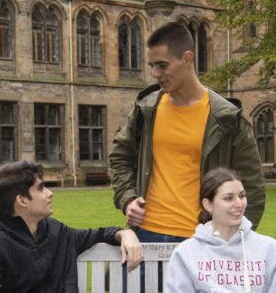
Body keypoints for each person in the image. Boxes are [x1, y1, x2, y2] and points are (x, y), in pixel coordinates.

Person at [109, 22, 266, 242]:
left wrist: (231, 240)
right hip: (144, 237)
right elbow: (119, 157)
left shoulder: (226, 118)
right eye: (152, 65)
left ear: (187, 58)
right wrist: (127, 199)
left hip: (201, 240)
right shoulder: (146, 110)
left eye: (162, 65)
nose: (155, 73)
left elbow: (253, 188)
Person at [0, 161, 143, 292]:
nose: (50, 193)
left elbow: (98, 235)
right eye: (41, 189)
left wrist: (124, 233)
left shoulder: (57, 232)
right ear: (21, 201)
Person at [165, 168, 276, 293]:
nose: (239, 204)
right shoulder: (186, 254)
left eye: (242, 196)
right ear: (208, 205)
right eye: (229, 198)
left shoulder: (269, 249)